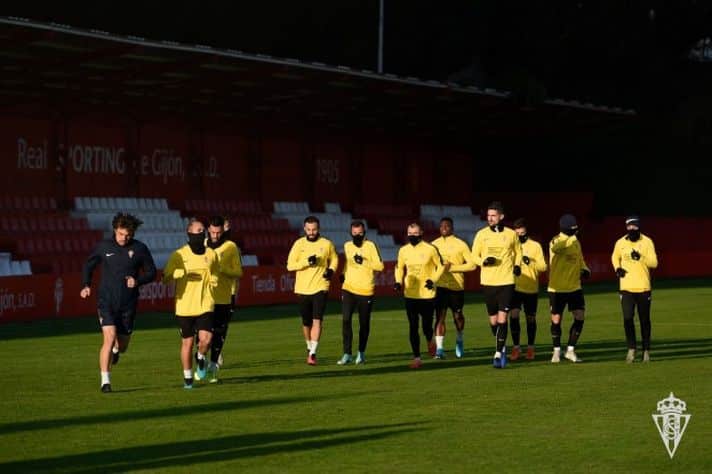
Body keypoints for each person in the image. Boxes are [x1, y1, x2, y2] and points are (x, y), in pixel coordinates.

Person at [81, 212, 156, 393]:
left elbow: (152, 272)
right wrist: (86, 285)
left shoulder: (140, 249)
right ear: (115, 230)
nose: (125, 237)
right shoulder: (103, 246)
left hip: (128, 304)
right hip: (106, 301)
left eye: (128, 234)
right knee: (109, 337)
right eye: (121, 233)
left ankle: (116, 352)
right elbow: (88, 266)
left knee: (122, 346)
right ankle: (105, 381)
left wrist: (137, 281)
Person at [162, 218, 219, 388]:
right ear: (189, 234)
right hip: (185, 307)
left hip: (205, 303)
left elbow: (215, 272)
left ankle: (200, 357)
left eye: (203, 230)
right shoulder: (179, 255)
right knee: (187, 342)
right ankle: (188, 377)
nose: (202, 233)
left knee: (206, 340)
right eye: (198, 231)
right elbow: (165, 277)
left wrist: (214, 278)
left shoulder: (211, 254)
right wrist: (176, 274)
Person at [471, 202, 522, 368]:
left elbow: (518, 251)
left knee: (502, 318)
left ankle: (498, 353)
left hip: (507, 282)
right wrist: (484, 261)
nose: (490, 218)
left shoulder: (511, 234)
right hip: (488, 282)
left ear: (501, 216)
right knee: (494, 322)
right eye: (488, 216)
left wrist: (517, 265)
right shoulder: (481, 235)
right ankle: (501, 344)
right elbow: (474, 256)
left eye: (493, 215)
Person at [286, 215, 338, 365]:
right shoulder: (298, 244)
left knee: (317, 320)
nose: (311, 232)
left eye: (314, 229)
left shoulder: (326, 244)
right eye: (308, 229)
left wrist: (331, 270)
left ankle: (313, 352)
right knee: (306, 322)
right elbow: (290, 265)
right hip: (302, 289)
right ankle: (309, 347)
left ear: (318, 229)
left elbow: (334, 258)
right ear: (304, 229)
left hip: (320, 287)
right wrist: (307, 262)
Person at [394, 222, 445, 369]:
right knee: (413, 326)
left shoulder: (430, 249)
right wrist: (398, 281)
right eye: (410, 234)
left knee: (427, 326)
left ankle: (430, 340)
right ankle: (416, 358)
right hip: (410, 294)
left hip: (427, 295)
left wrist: (433, 280)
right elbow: (399, 267)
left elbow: (441, 266)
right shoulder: (403, 250)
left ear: (421, 233)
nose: (412, 236)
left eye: (415, 234)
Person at [611, 215, 658, 363]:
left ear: (639, 227)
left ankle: (646, 350)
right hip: (626, 287)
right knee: (627, 318)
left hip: (643, 287)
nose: (632, 229)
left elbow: (654, 263)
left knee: (644, 320)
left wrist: (641, 257)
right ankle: (631, 348)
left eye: (635, 226)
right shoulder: (620, 242)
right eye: (629, 227)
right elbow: (614, 257)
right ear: (626, 228)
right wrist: (617, 268)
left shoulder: (647, 242)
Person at [337, 220, 384, 365]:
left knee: (364, 323)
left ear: (365, 233)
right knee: (345, 320)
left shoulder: (371, 246)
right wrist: (343, 272)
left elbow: (380, 266)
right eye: (354, 233)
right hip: (349, 288)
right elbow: (348, 263)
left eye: (360, 233)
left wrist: (363, 261)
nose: (357, 235)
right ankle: (347, 354)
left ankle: (361, 353)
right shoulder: (347, 246)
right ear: (351, 233)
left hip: (365, 290)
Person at [430, 217, 476, 359]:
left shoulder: (461, 244)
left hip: (456, 287)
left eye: (447, 226)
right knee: (439, 317)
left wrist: (452, 268)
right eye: (442, 226)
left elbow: (472, 265)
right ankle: (440, 349)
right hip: (440, 287)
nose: (444, 228)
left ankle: (459, 339)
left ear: (452, 228)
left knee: (458, 316)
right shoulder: (433, 245)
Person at [205, 215, 243, 382]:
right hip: (204, 297)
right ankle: (203, 358)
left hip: (225, 295)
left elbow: (238, 272)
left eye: (219, 232)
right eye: (213, 232)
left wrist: (223, 269)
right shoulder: (202, 245)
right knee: (204, 332)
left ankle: (214, 361)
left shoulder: (231, 247)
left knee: (219, 330)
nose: (216, 236)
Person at [548, 214, 590, 364]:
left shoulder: (576, 242)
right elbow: (556, 248)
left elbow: (580, 259)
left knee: (580, 316)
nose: (575, 232)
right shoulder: (556, 240)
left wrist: (585, 269)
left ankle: (570, 350)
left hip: (574, 287)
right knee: (556, 320)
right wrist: (571, 238)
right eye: (572, 230)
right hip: (557, 289)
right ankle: (556, 351)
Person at [510, 218, 547, 361]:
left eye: (523, 233)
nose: (520, 236)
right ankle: (516, 348)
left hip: (531, 288)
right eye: (517, 234)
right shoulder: (511, 246)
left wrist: (530, 262)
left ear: (527, 232)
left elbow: (543, 267)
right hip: (514, 287)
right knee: (514, 315)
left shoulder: (535, 246)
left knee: (530, 318)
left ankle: (530, 348)